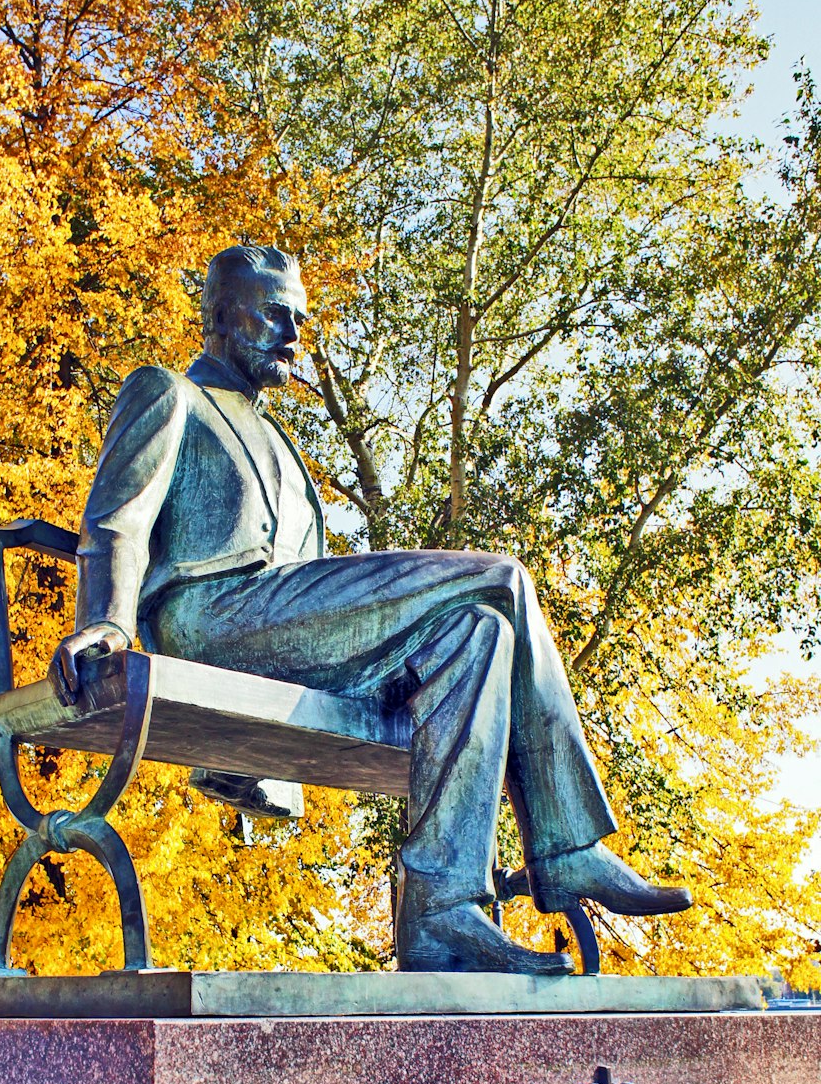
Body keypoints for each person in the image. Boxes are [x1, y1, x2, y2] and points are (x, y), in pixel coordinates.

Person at [50, 244, 691, 974]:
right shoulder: (169, 393)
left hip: (289, 633)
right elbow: (115, 520)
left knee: (478, 635)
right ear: (223, 316)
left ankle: (443, 913)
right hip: (213, 618)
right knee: (501, 581)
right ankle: (568, 847)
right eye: (276, 314)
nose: (294, 334)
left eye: (300, 318)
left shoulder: (281, 439)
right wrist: (106, 621)